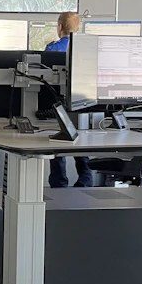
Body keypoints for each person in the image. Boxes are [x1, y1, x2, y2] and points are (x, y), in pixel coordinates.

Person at [45, 11, 94, 188]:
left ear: (60, 27)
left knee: (59, 143)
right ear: (78, 28)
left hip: (57, 105)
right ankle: (85, 182)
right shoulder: (86, 49)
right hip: (83, 103)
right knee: (81, 141)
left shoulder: (52, 49)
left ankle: (59, 185)